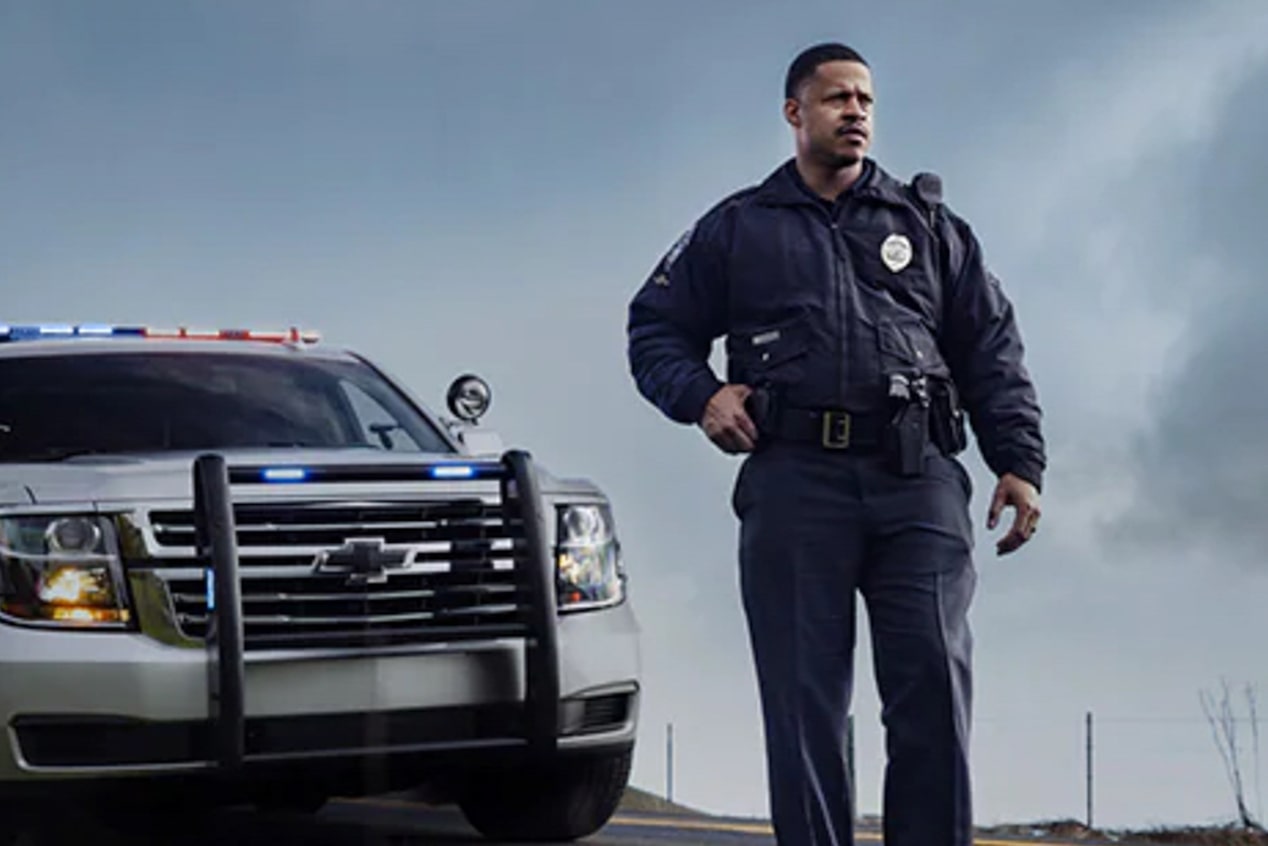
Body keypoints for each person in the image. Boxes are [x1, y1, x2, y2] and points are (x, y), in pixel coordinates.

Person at [625, 42, 1045, 846]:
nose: (855, 112)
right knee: (805, 699)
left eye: (866, 100)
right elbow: (655, 328)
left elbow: (991, 346)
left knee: (931, 679)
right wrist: (701, 396)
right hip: (793, 481)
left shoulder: (927, 226)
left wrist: (1019, 462)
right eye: (836, 99)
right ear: (795, 113)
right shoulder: (739, 227)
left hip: (917, 479)